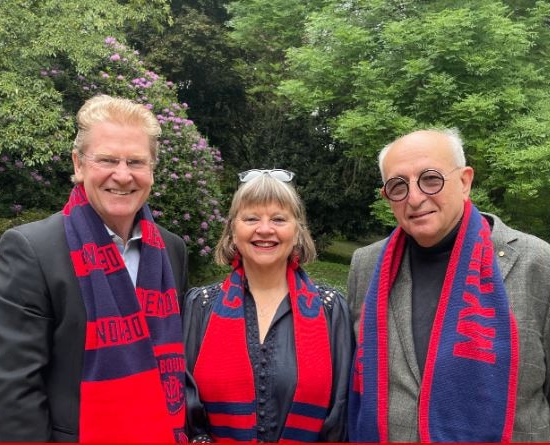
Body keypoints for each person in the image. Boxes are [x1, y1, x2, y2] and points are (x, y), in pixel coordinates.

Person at [0, 95, 189, 442]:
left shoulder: (172, 250)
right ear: (79, 164)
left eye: (136, 162)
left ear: (151, 170)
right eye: (107, 159)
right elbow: (14, 388)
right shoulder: (32, 250)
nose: (122, 175)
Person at [347, 128, 550, 442]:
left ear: (465, 181)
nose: (414, 198)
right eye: (398, 185)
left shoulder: (536, 262)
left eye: (430, 178)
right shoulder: (366, 265)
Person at [183, 169, 351, 442]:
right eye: (251, 218)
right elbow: (183, 404)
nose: (264, 229)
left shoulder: (331, 310)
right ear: (232, 232)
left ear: (297, 232)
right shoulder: (200, 307)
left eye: (278, 219)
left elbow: (339, 414)